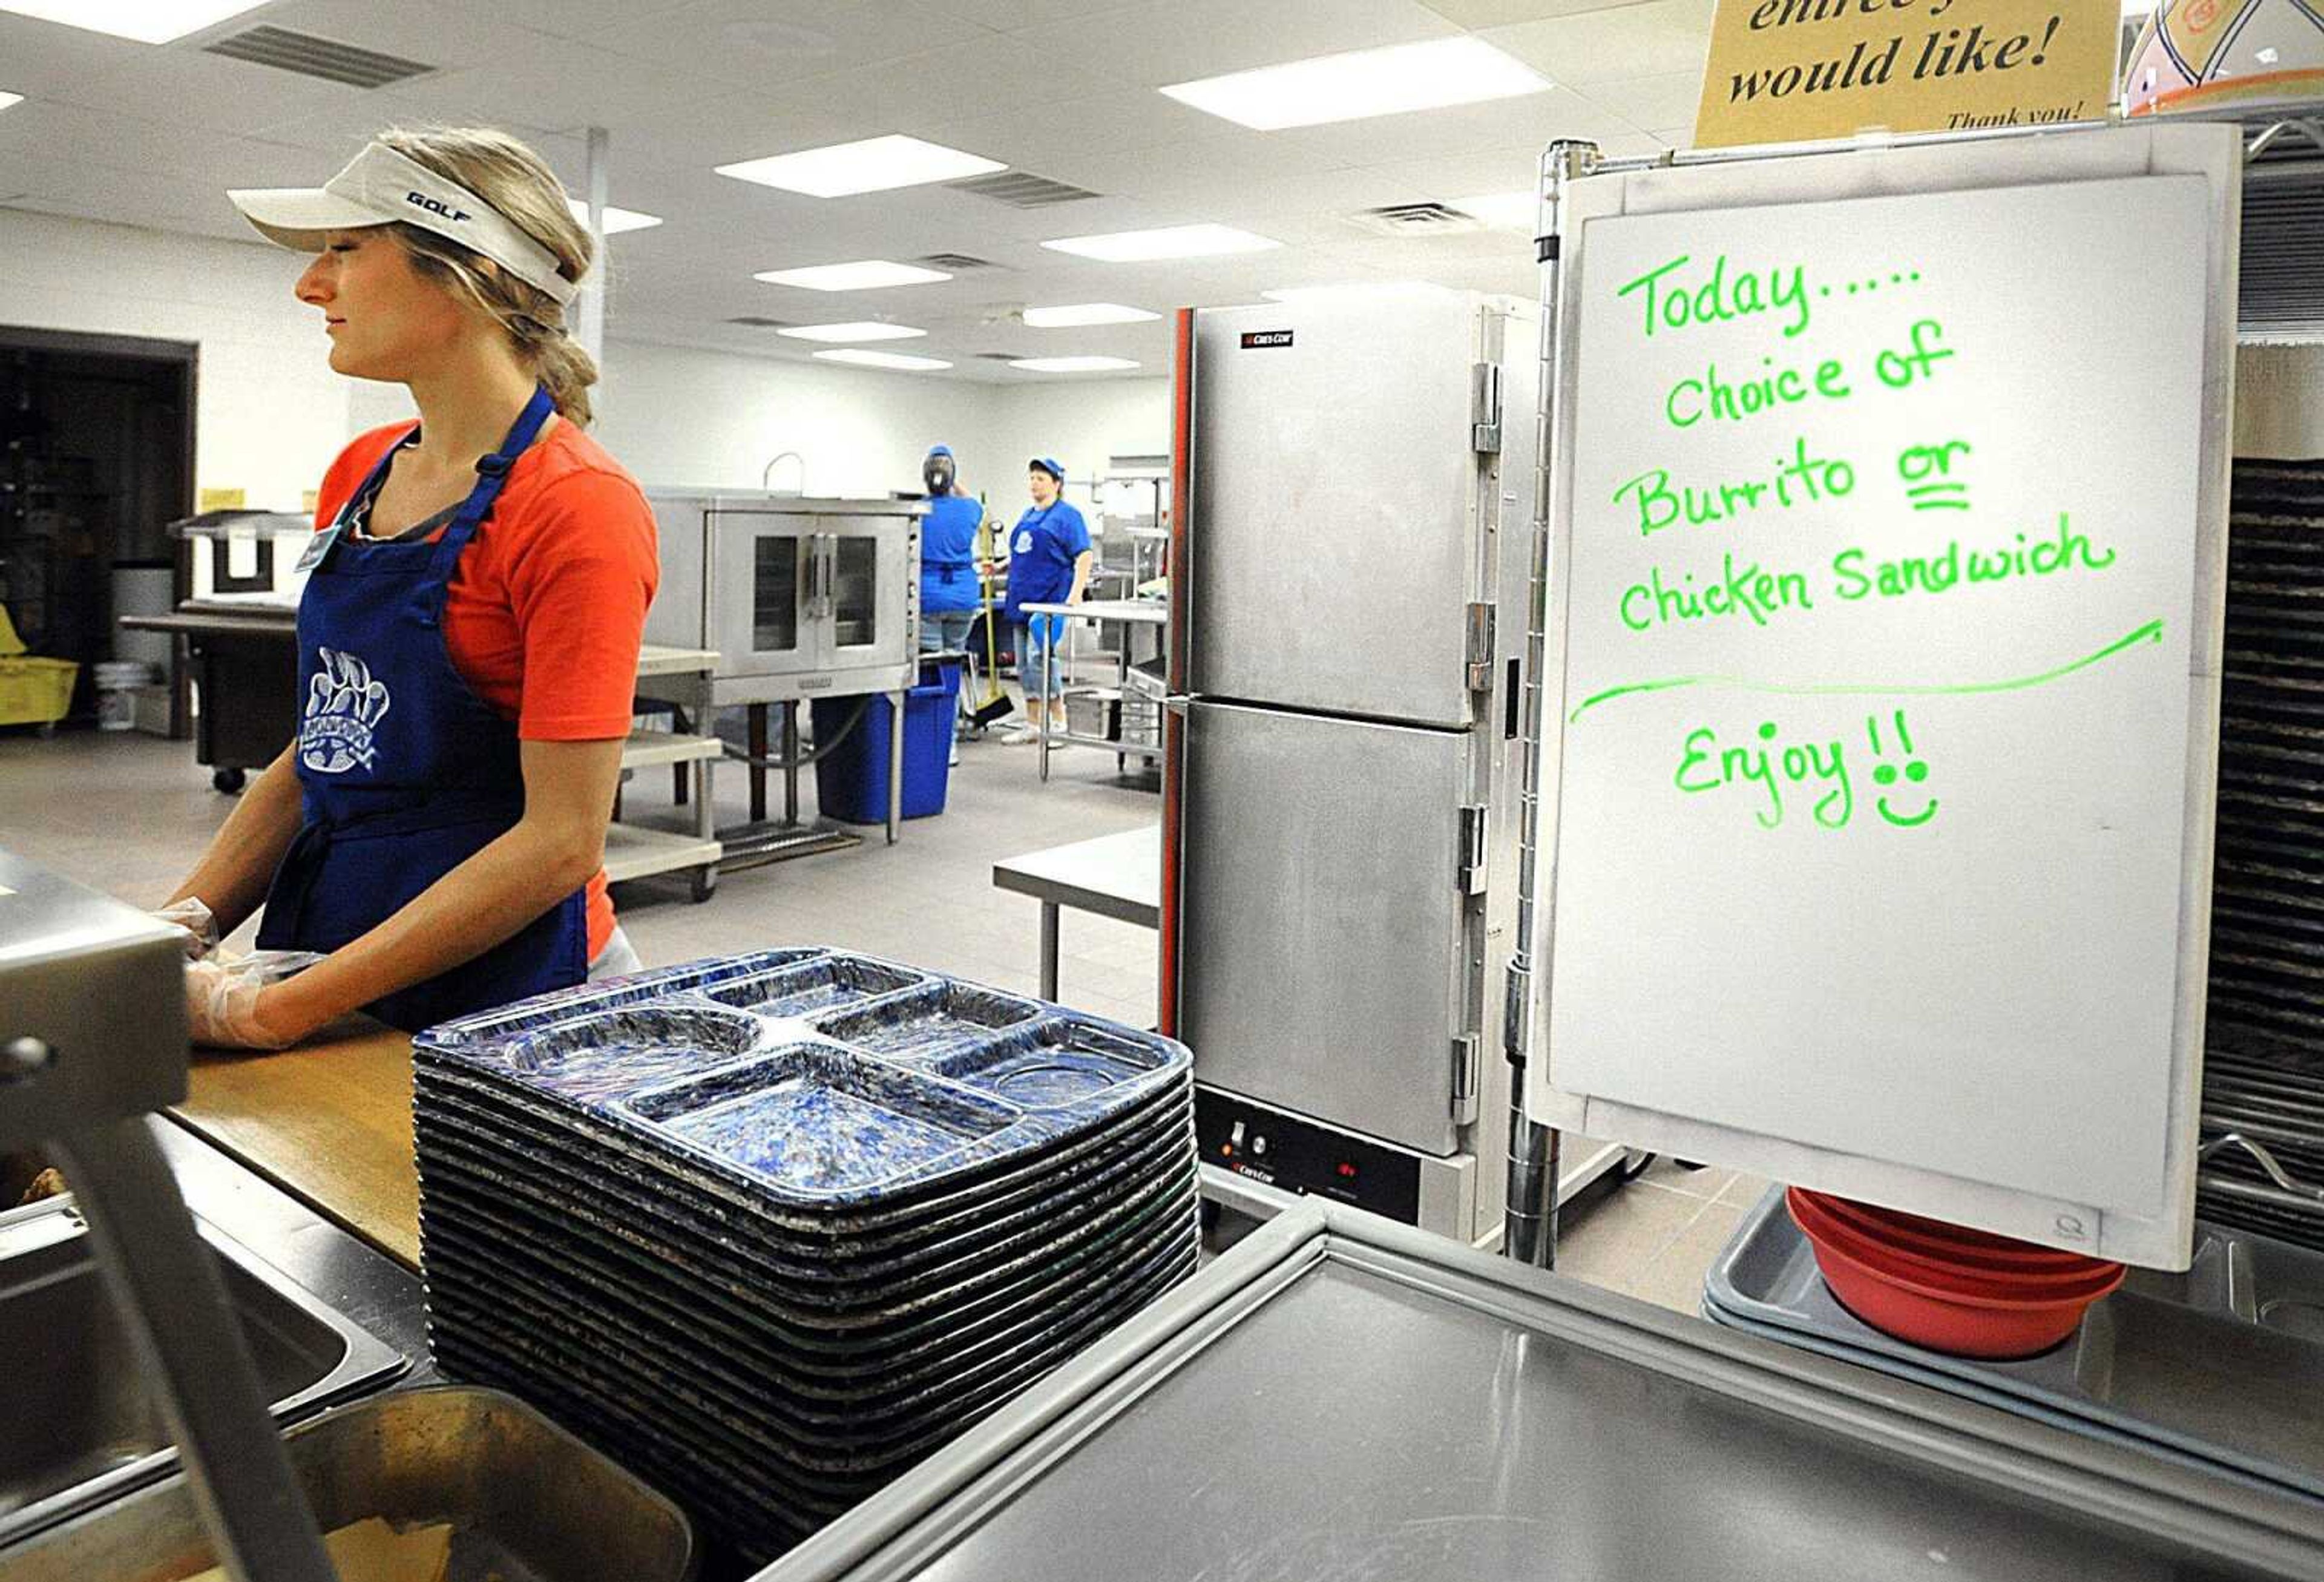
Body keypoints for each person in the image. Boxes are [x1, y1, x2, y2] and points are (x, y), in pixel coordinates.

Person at [160, 128, 658, 1048]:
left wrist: (275, 1009)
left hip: (520, 990)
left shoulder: (577, 506)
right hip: (345, 950)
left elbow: (561, 843)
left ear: (468, 272)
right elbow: (327, 748)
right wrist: (178, 925)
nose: (311, 285)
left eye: (345, 249)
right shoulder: (362, 472)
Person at [999, 457, 1092, 746]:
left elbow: (1084, 555)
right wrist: (1002, 566)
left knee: (1041, 658)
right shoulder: (1028, 515)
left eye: (1041, 478)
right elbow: (1023, 553)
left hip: (1049, 602)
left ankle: (1059, 722)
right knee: (1024, 665)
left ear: (1057, 483)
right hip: (1020, 601)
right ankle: (1033, 724)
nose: (1034, 483)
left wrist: (1075, 594)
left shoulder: (1067, 516)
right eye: (1032, 478)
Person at [917, 444, 982, 657]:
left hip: (929, 596)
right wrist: (952, 481)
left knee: (930, 660)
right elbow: (973, 503)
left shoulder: (918, 510)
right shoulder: (971, 509)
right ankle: (953, 690)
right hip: (963, 596)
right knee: (954, 657)